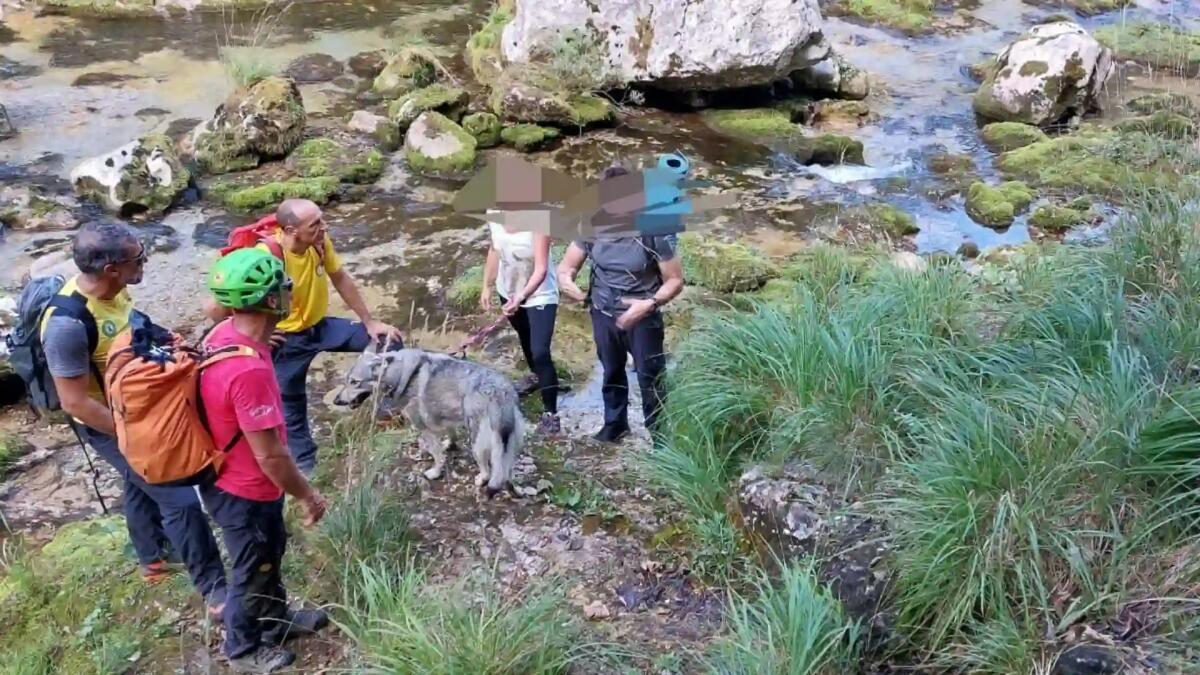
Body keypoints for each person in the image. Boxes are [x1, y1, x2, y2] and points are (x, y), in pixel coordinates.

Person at [40, 220, 227, 611]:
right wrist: (134, 435)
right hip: (107, 423)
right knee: (179, 497)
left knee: (138, 479)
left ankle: (152, 558)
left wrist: (168, 339)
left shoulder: (115, 290)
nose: (145, 261)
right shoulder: (67, 325)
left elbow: (132, 324)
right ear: (111, 269)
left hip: (137, 410)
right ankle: (215, 591)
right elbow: (75, 402)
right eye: (138, 258)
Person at [199, 247, 330, 673]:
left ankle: (276, 621)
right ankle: (242, 650)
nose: (291, 290)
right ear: (272, 299)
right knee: (252, 568)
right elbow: (270, 455)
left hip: (226, 478)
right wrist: (308, 495)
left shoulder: (224, 334)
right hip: (244, 488)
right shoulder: (248, 371)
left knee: (269, 552)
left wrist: (261, 344)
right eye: (285, 285)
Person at [203, 199, 402, 474]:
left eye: (322, 220)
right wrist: (256, 337)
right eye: (315, 224)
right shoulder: (266, 256)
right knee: (292, 406)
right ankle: (307, 469)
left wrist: (370, 322)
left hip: (320, 328)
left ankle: (384, 412)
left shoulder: (318, 243)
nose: (325, 227)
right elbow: (217, 307)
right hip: (287, 341)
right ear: (290, 230)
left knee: (389, 342)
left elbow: (340, 277)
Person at [556, 164, 686, 443]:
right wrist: (567, 281)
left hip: (643, 315)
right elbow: (567, 266)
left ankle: (660, 435)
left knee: (651, 376)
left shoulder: (655, 230)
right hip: (602, 310)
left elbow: (675, 280)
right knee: (611, 369)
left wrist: (649, 304)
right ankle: (615, 424)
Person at [481, 212, 562, 435]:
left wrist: (522, 296)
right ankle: (537, 376)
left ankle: (551, 415)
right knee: (524, 335)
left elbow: (541, 268)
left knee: (540, 351)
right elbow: (494, 250)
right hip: (507, 290)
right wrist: (487, 285)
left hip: (539, 295)